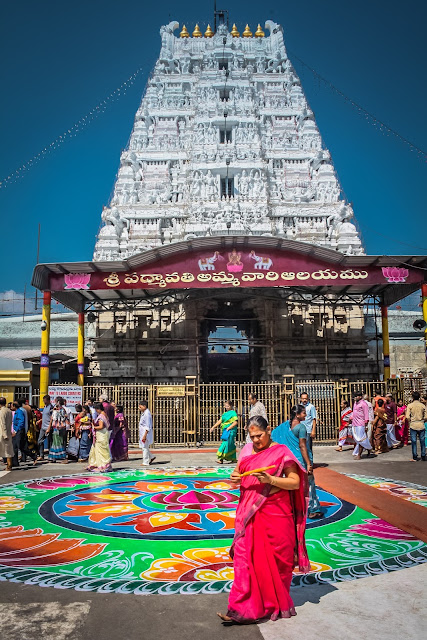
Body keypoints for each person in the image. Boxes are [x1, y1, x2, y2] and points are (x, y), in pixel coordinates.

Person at [217, 416, 309, 624]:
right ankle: (241, 609)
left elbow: (295, 483)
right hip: (249, 513)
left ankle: (270, 604)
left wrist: (271, 480)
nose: (256, 440)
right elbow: (238, 472)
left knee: (277, 563)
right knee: (244, 560)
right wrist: (234, 477)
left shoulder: (281, 452)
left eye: (259, 435)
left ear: (269, 431)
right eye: (252, 436)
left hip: (276, 513)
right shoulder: (247, 451)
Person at [273, 405, 324, 519]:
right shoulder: (301, 427)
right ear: (297, 415)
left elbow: (274, 435)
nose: (305, 415)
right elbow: (302, 446)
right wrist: (308, 463)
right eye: (304, 413)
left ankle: (291, 508)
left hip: (288, 460)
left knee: (292, 483)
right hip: (300, 460)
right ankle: (312, 509)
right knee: (308, 484)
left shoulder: (286, 426)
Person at [210, 400, 238, 464]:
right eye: (225, 406)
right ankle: (233, 458)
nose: (226, 407)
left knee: (226, 443)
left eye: (228, 406)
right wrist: (213, 427)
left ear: (231, 406)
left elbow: (235, 422)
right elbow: (220, 421)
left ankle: (221, 458)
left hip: (230, 430)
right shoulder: (225, 414)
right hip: (225, 430)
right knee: (230, 444)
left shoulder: (233, 413)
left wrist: (229, 427)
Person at [87, 402, 112, 472]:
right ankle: (102, 464)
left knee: (101, 450)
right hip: (103, 433)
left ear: (98, 409)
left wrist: (93, 427)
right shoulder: (104, 414)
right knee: (102, 449)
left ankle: (102, 465)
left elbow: (101, 426)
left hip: (101, 434)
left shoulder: (101, 416)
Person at [12, 401, 37, 466]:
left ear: (15, 406)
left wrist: (16, 431)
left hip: (20, 431)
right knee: (14, 447)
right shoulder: (17, 412)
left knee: (21, 446)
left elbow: (21, 422)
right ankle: (14, 462)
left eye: (12, 405)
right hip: (16, 431)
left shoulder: (19, 412)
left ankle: (33, 456)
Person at [352, 391, 375, 459]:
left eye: (357, 396)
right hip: (355, 423)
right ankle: (368, 449)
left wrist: (366, 424)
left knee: (361, 439)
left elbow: (366, 414)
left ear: (360, 397)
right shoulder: (355, 403)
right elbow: (354, 412)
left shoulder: (364, 404)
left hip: (361, 424)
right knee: (358, 439)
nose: (355, 398)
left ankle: (359, 455)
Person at [46, 398, 70, 463]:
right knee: (55, 442)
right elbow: (52, 419)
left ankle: (63, 458)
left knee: (60, 442)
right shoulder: (55, 410)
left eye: (56, 402)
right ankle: (53, 457)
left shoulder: (61, 410)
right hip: (55, 428)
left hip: (60, 428)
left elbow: (61, 418)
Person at [406, 391, 427, 462]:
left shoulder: (410, 405)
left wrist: (411, 421)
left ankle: (415, 456)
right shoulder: (423, 405)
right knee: (422, 441)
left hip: (413, 424)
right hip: (421, 424)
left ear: (412, 397)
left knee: (414, 441)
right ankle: (423, 455)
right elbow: (426, 416)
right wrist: (422, 420)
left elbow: (407, 416)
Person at [139, 400, 156, 466]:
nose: (139, 408)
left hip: (145, 434)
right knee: (144, 446)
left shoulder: (147, 414)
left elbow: (148, 426)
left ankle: (145, 462)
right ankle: (151, 456)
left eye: (140, 407)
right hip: (143, 433)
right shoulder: (144, 413)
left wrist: (145, 435)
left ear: (144, 406)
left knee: (144, 447)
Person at [37, 394, 52, 460]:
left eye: (45, 401)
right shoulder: (45, 407)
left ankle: (51, 456)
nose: (44, 402)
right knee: (40, 441)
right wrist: (40, 420)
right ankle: (41, 455)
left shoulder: (51, 407)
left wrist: (49, 427)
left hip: (48, 427)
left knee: (50, 442)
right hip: (43, 427)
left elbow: (52, 418)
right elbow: (45, 416)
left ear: (48, 400)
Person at [0, 397, 13, 471]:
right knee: (8, 449)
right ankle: (9, 465)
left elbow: (3, 423)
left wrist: (4, 435)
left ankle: (9, 465)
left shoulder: (2, 411)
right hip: (8, 431)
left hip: (3, 433)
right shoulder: (9, 411)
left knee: (5, 450)